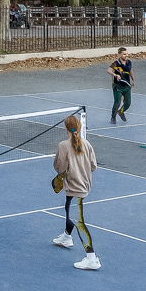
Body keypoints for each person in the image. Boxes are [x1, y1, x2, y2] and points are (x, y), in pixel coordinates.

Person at [50, 114, 101, 271]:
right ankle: (66, 236)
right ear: (78, 127)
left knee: (78, 221)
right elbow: (93, 166)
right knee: (68, 209)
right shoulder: (87, 143)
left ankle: (91, 257)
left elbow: (60, 168)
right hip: (84, 185)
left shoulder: (63, 146)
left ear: (65, 128)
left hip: (74, 186)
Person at [108, 47, 134, 124]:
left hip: (127, 86)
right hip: (118, 87)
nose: (126, 55)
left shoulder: (129, 62)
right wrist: (115, 75)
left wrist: (133, 79)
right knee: (117, 102)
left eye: (127, 54)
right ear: (119, 55)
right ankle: (113, 117)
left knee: (128, 103)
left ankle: (121, 112)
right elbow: (108, 70)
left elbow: (130, 71)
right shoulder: (116, 63)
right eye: (124, 54)